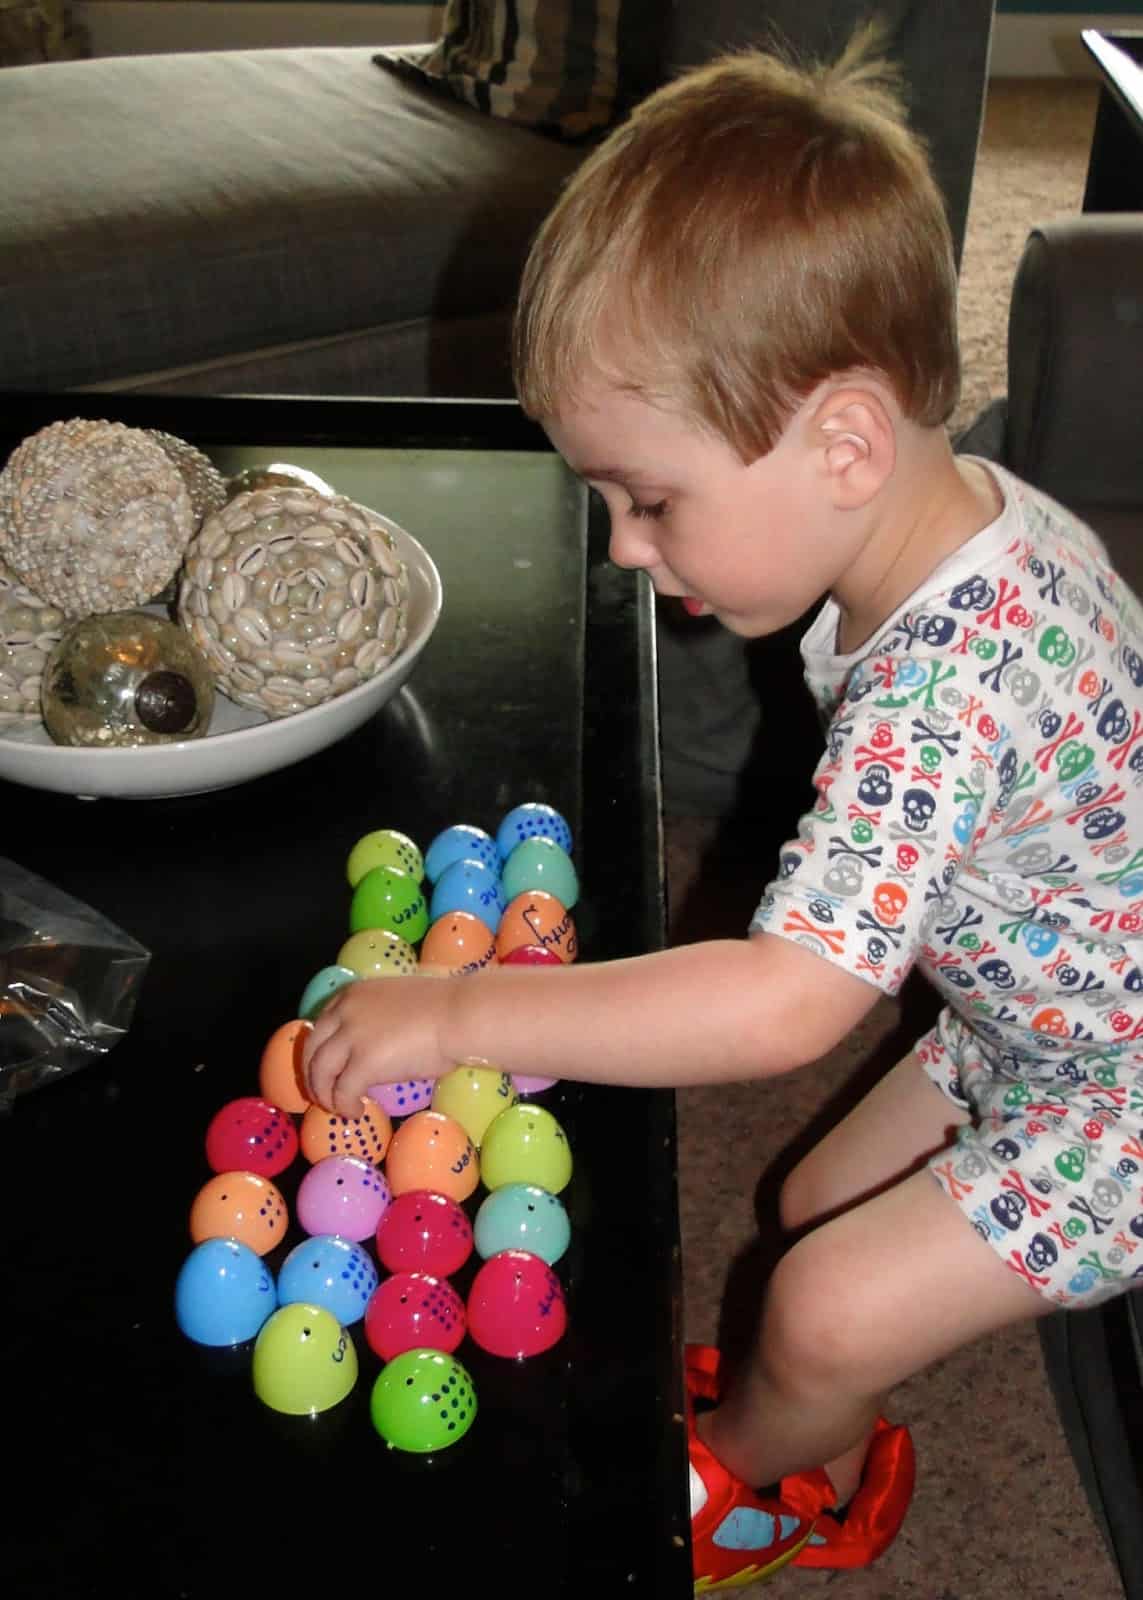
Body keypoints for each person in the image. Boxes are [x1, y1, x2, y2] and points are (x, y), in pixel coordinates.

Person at [305, 22, 1143, 1592]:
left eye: (653, 498)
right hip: (1045, 1005)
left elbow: (782, 1009)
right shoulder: (960, 517)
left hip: (1127, 1089)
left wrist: (462, 1014)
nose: (628, 547)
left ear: (842, 439)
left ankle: (754, 1483)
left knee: (819, 1303)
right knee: (810, 1199)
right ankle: (823, 1432)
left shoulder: (942, 691)